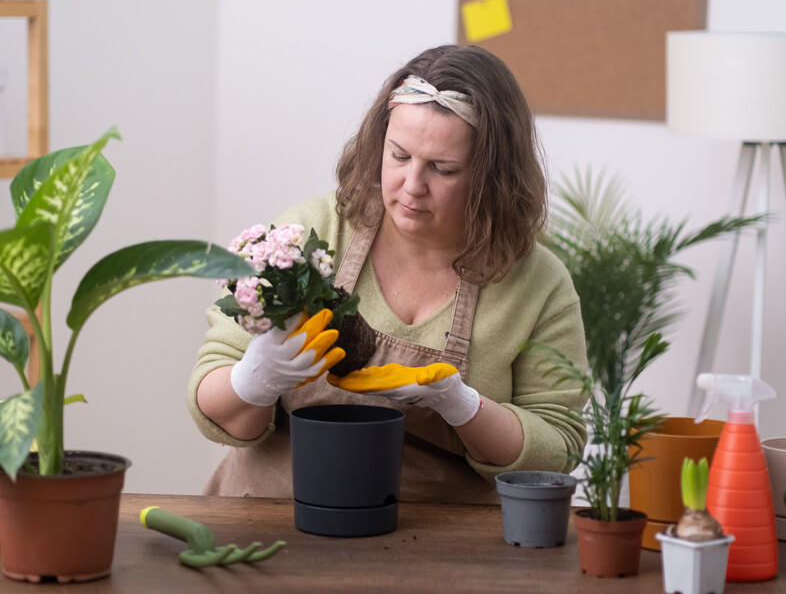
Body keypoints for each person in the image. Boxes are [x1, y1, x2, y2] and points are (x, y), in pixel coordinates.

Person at [188, 44, 589, 504]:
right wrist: (253, 380)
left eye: (443, 169)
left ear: (492, 176)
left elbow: (556, 449)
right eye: (399, 156)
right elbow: (212, 400)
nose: (412, 186)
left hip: (439, 537)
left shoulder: (538, 285)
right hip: (271, 515)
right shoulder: (311, 236)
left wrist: (463, 406)